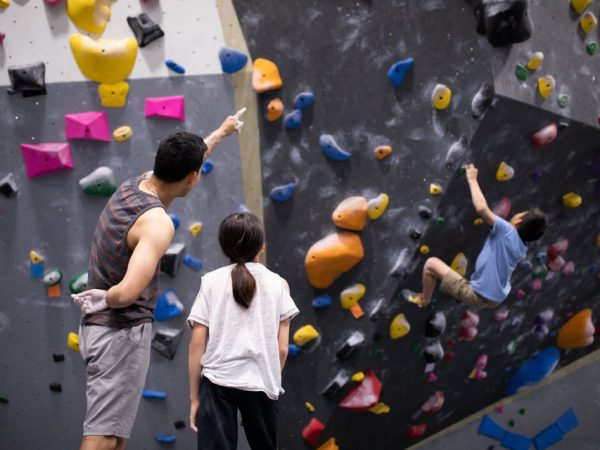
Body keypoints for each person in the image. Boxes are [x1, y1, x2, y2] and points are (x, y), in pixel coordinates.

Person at [70, 108, 245, 450]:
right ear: (194, 177)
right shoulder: (157, 223)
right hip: (118, 331)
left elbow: (189, 159)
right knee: (102, 439)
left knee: (115, 438)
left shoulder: (134, 185)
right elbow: (128, 291)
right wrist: (103, 298)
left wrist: (221, 133)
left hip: (103, 329)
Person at [187, 212, 299, 450]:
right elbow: (281, 349)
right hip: (262, 383)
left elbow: (197, 343)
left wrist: (195, 398)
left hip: (217, 383)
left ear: (224, 246)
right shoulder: (279, 284)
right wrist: (267, 379)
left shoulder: (211, 282)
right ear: (261, 245)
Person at [410, 163, 547, 309]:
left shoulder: (506, 230)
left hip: (477, 296)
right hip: (496, 299)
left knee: (431, 265)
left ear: (518, 221)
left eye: (520, 213)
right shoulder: (522, 248)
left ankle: (424, 300)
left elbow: (482, 208)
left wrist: (472, 179)